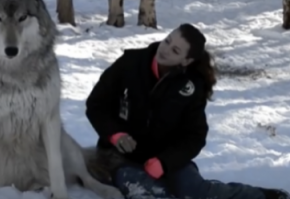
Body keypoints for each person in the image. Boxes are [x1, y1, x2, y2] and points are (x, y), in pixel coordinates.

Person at [84, 23, 289, 199]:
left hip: (166, 159)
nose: (165, 49)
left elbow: (195, 136)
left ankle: (263, 196)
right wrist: (115, 135)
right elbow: (96, 105)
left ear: (186, 61)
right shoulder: (129, 64)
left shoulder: (191, 87)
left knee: (198, 192)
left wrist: (165, 162)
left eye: (175, 50)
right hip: (120, 158)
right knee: (145, 193)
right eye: (167, 41)